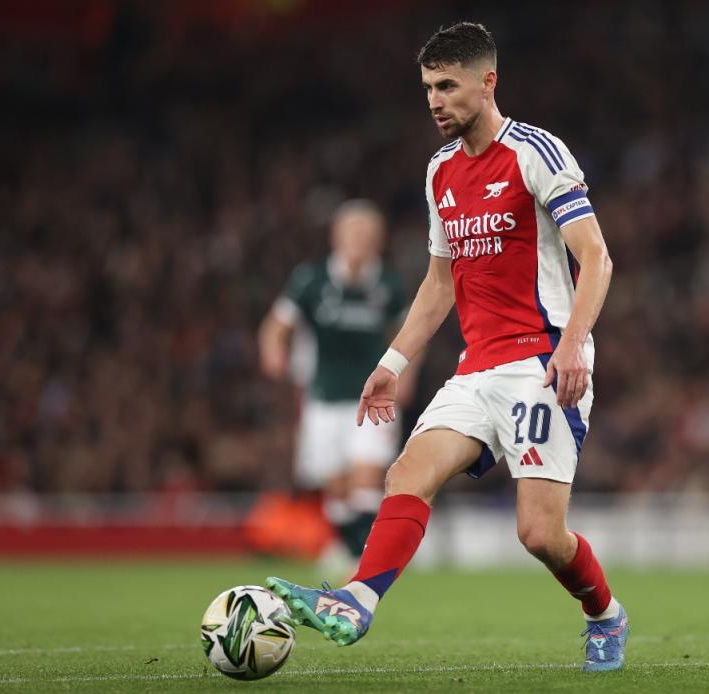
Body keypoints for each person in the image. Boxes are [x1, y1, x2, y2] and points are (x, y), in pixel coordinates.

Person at [266, 22, 628, 672]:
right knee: (405, 473)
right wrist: (391, 362)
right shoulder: (438, 173)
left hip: (542, 366)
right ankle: (356, 599)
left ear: (487, 82)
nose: (434, 100)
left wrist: (572, 346)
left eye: (447, 86)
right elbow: (439, 285)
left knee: (540, 535)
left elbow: (596, 259)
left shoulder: (535, 153)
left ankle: (603, 613)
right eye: (427, 88)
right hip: (476, 369)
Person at [258, 199, 410, 562]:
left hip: (373, 399)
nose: (359, 240)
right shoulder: (311, 279)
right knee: (337, 489)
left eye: (366, 234)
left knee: (367, 476)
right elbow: (276, 325)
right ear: (336, 237)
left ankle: (368, 561)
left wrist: (406, 377)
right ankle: (351, 550)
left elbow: (408, 333)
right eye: (352, 233)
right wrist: (273, 351)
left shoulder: (389, 284)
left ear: (378, 240)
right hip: (322, 398)